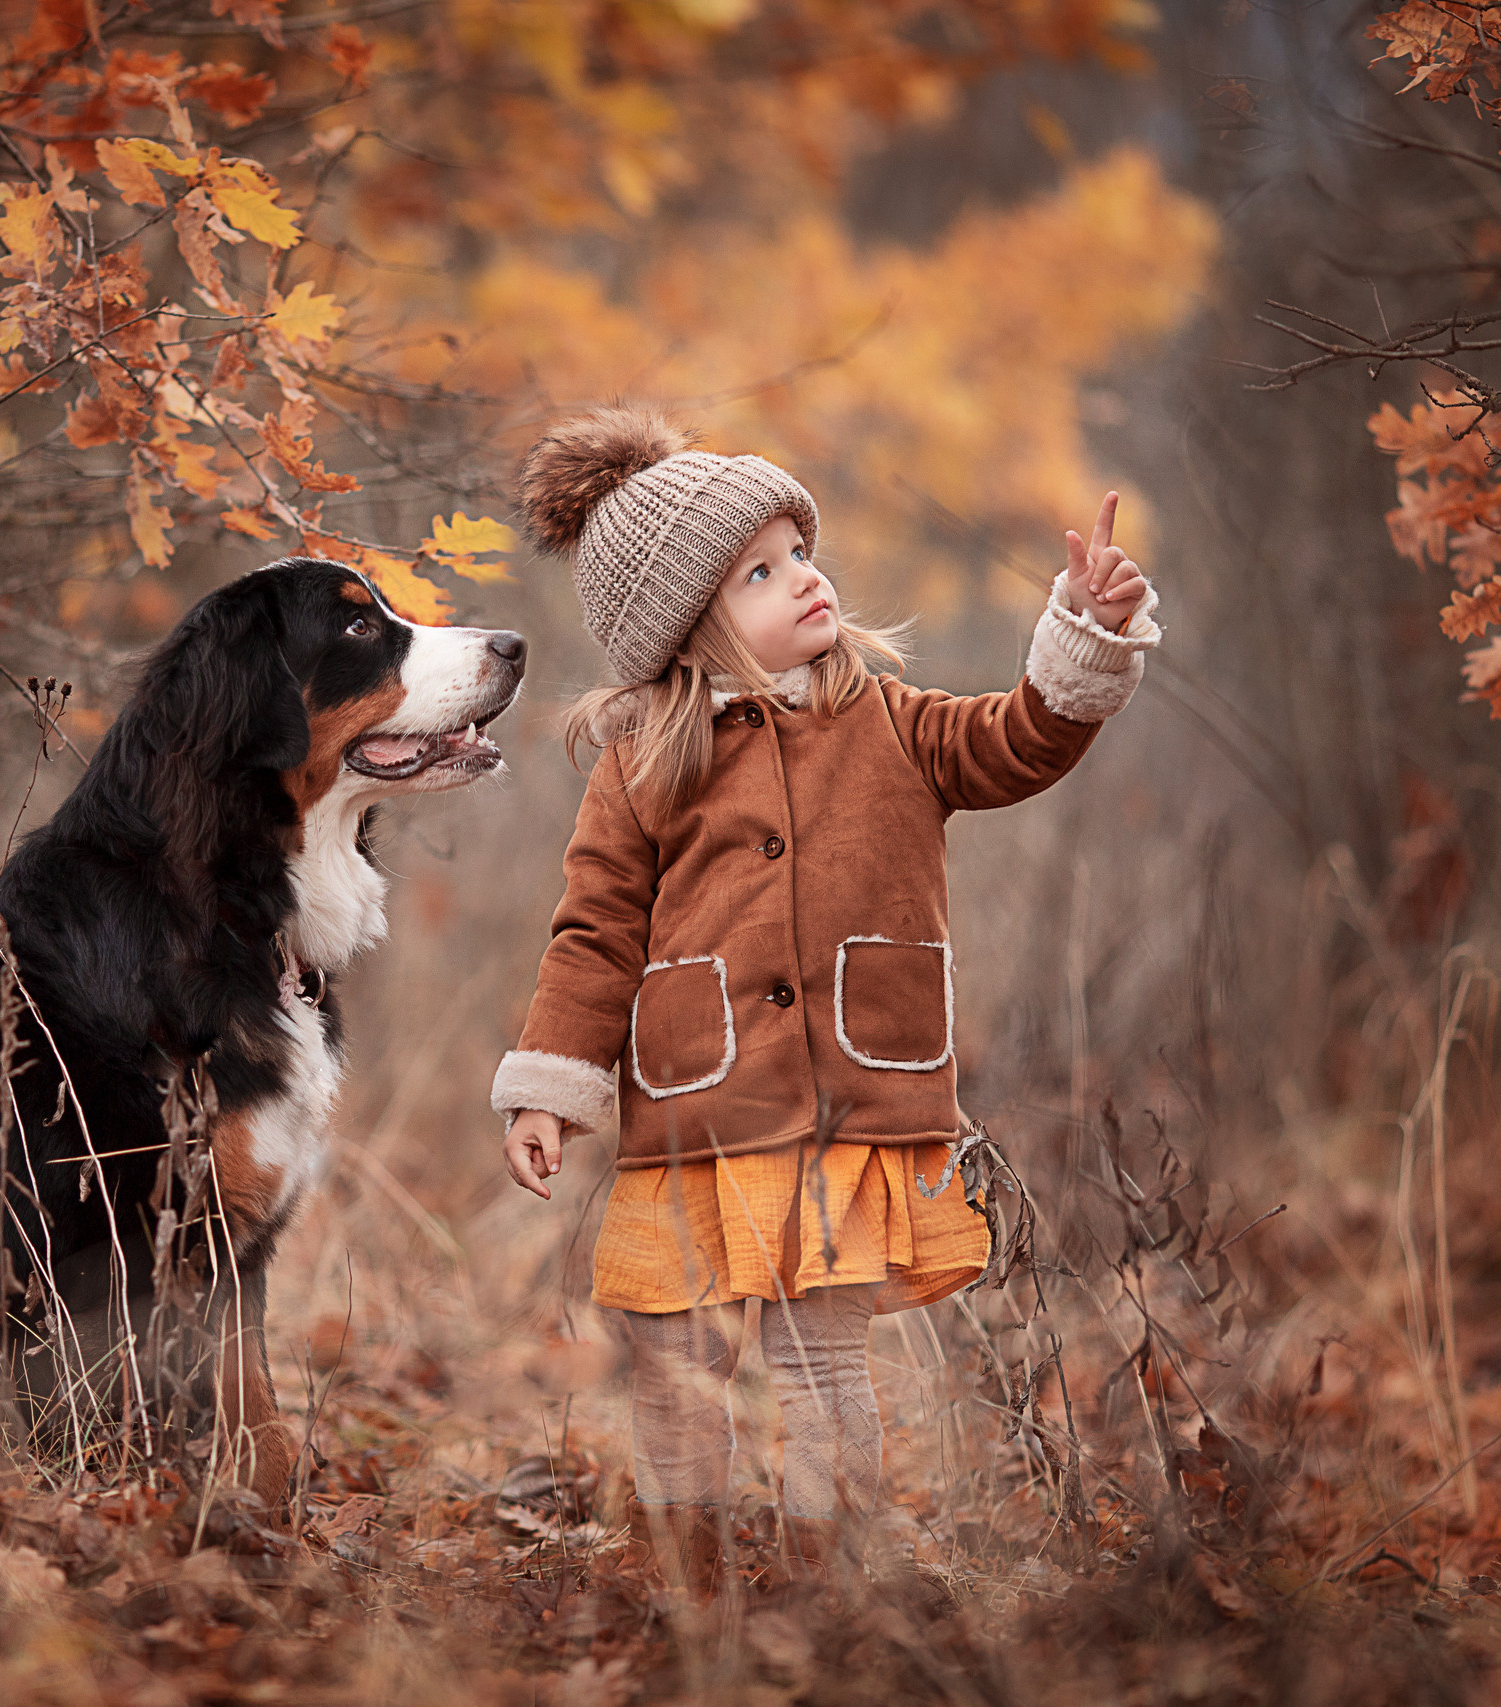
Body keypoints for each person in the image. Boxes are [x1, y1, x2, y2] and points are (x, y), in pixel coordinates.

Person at [492, 405, 1158, 1598]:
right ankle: (685, 1579)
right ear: (689, 628)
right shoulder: (643, 762)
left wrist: (1083, 637)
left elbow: (1021, 741)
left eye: (799, 551)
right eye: (760, 571)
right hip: (698, 1112)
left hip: (849, 1112)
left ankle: (828, 1577)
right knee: (675, 1358)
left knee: (821, 1365)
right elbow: (593, 931)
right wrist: (550, 1085)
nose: (804, 579)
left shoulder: (893, 725)